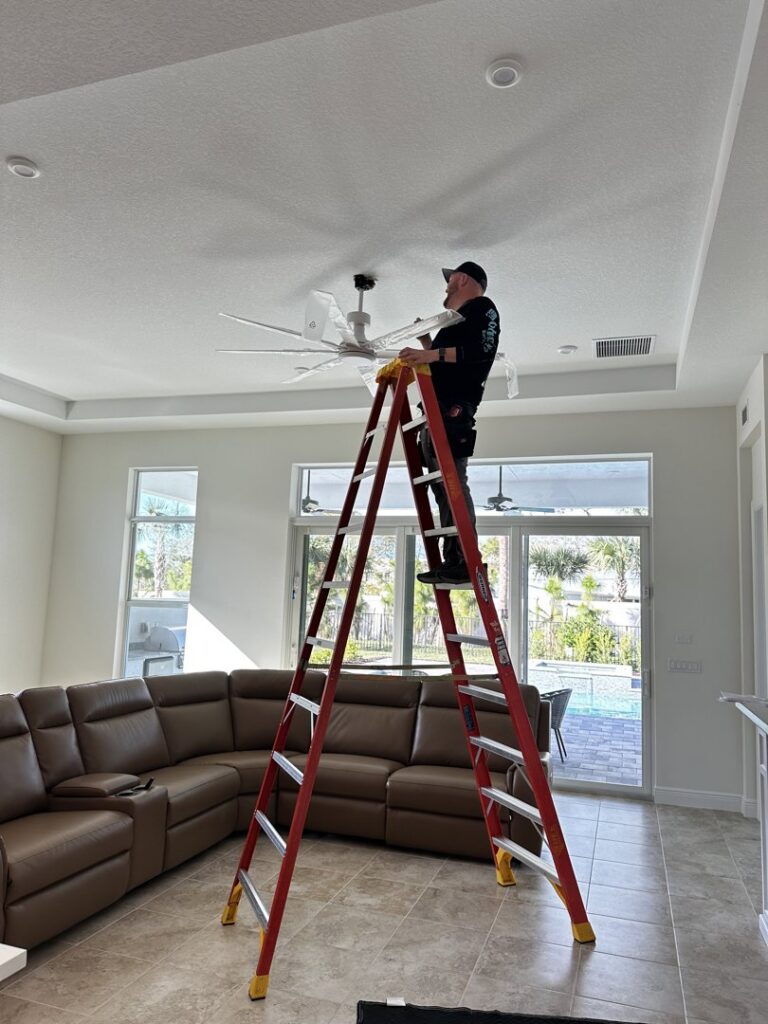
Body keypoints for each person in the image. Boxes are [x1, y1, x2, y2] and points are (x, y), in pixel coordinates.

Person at [398, 261, 500, 584]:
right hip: (435, 409)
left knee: (454, 481)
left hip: (454, 410)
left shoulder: (484, 309)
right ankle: (452, 559)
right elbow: (446, 366)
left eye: (449, 281)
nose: (445, 288)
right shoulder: (455, 324)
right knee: (442, 485)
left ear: (462, 279)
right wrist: (429, 344)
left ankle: (465, 561)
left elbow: (477, 352)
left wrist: (430, 355)